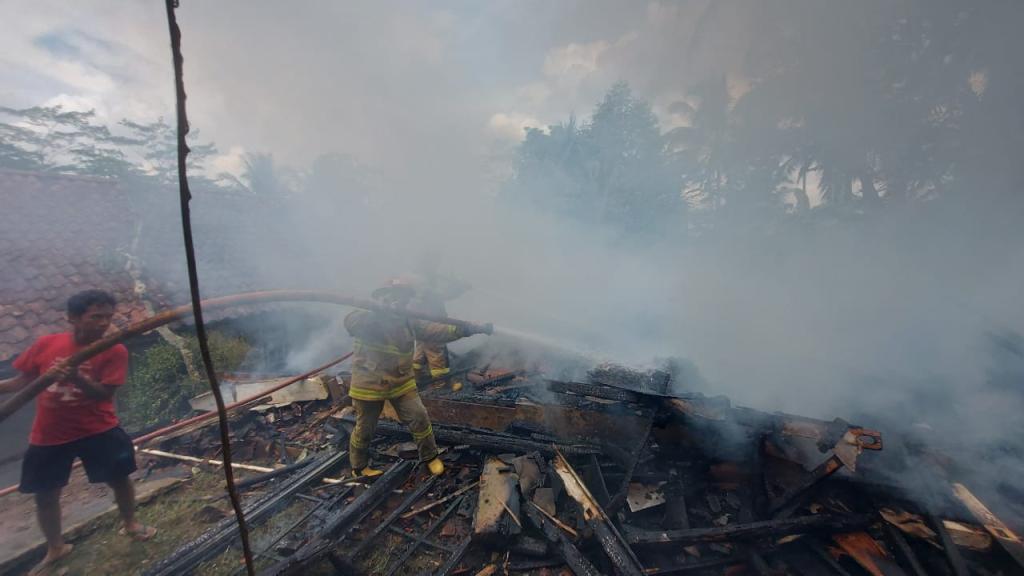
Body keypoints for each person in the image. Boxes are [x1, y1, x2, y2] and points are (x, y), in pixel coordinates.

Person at [0, 290, 156, 576]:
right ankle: (56, 547)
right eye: (96, 317)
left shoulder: (114, 350)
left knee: (120, 479)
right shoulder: (47, 344)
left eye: (108, 317)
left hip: (98, 428)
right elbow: (23, 380)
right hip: (50, 433)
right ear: (72, 318)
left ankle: (131, 523)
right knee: (45, 494)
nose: (103, 323)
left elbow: (103, 395)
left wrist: (76, 376)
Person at [344, 278, 491, 477]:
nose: (399, 301)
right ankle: (359, 467)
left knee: (420, 418)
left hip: (401, 382)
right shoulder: (365, 317)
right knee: (365, 429)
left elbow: (436, 330)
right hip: (369, 385)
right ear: (381, 297)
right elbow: (351, 322)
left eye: (403, 298)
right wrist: (378, 313)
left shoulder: (409, 321)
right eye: (393, 297)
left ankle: (430, 457)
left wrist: (468, 329)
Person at [409, 255, 472, 390]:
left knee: (419, 354)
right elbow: (440, 295)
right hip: (432, 325)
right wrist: (459, 288)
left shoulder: (417, 278)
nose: (437, 266)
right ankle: (441, 386)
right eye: (435, 262)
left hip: (420, 325)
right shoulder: (423, 281)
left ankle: (416, 380)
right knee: (437, 354)